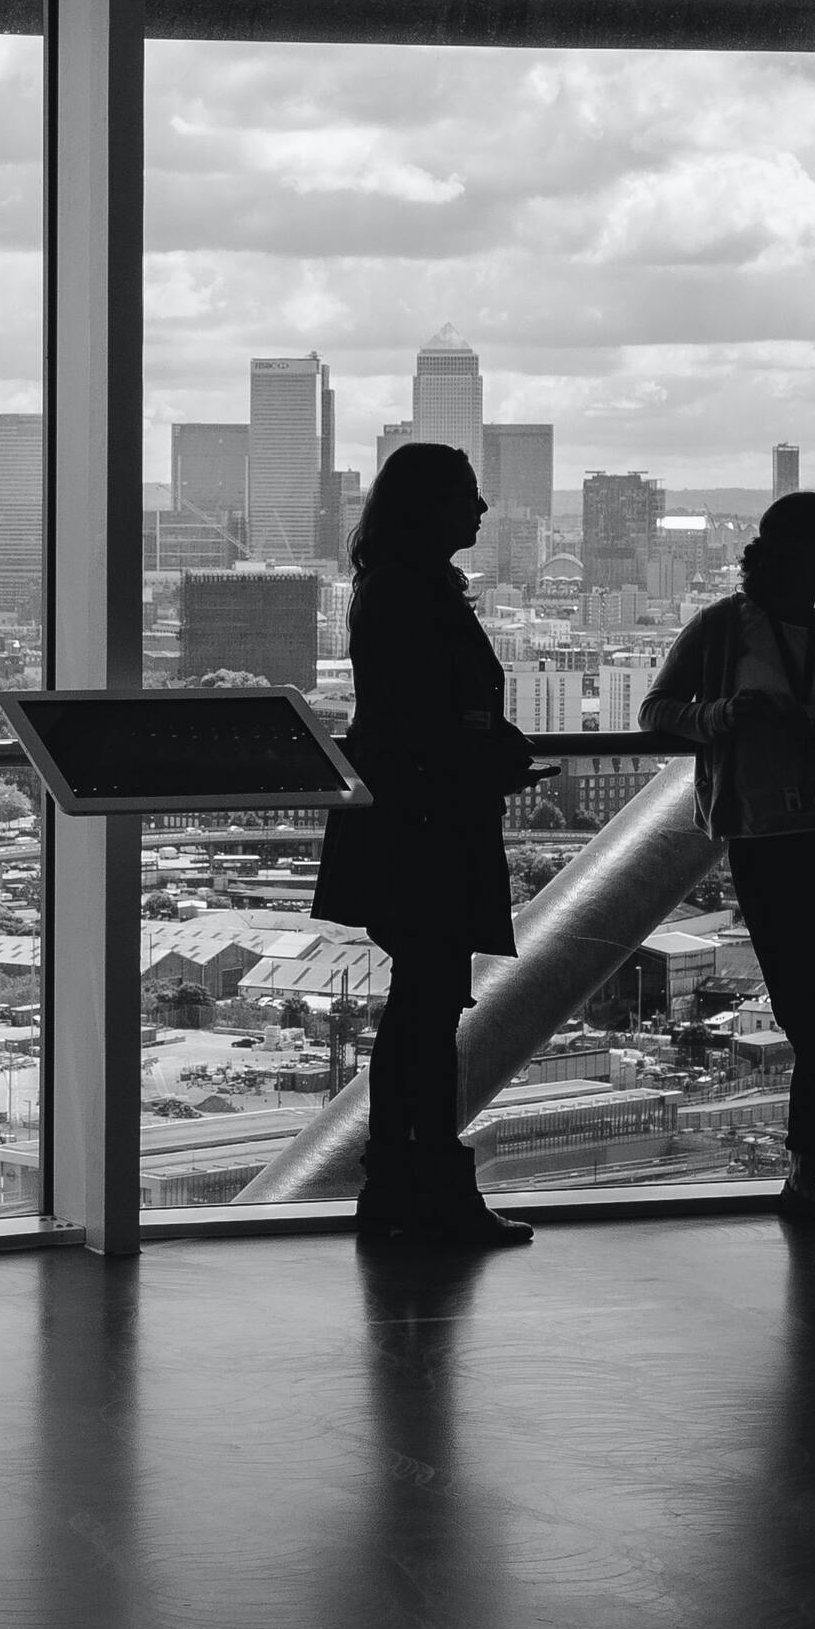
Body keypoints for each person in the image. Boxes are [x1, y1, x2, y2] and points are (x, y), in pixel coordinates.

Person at [642, 491, 815, 1220]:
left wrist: (803, 722)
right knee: (809, 1013)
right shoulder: (724, 629)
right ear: (800, 553)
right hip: (782, 838)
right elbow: (657, 710)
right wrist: (725, 716)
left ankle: (803, 1174)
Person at [311, 441, 545, 1246]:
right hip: (428, 826)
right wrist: (493, 756)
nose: (482, 511)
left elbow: (410, 714)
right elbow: (428, 720)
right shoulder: (416, 594)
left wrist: (485, 747)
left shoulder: (392, 589)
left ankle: (399, 1187)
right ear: (429, 507)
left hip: (406, 820)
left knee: (420, 1010)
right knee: (427, 1013)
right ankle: (429, 1189)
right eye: (468, 496)